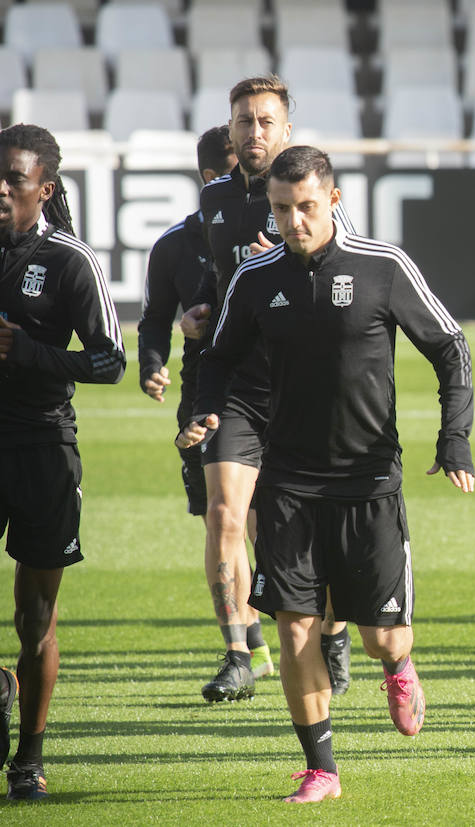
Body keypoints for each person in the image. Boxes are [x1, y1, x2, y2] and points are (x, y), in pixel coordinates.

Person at [178, 146, 475, 800]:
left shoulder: (383, 266)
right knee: (294, 627)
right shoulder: (255, 278)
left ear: (333, 200)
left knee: (380, 635)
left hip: (369, 483)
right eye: (281, 209)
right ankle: (322, 768)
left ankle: (398, 664)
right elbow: (219, 356)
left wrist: (453, 437)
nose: (293, 221)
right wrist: (204, 410)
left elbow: (449, 346)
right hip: (288, 482)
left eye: (306, 207)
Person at [181, 76, 354, 702]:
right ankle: (237, 651)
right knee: (225, 514)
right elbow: (212, 273)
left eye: (265, 121)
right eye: (243, 121)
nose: (253, 132)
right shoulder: (215, 200)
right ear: (228, 129)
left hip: (305, 384)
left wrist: (290, 257)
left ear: (287, 129)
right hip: (235, 381)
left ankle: (333, 632)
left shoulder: (310, 188)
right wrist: (196, 309)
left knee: (314, 529)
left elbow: (350, 275)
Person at [0, 124, 126, 799]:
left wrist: (29, 353)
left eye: (12, 179)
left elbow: (110, 361)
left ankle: (28, 761)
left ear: (43, 188)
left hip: (43, 446)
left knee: (34, 616)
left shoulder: (71, 259)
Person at [137, 127, 276, 679]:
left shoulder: (278, 227)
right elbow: (153, 319)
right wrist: (153, 362)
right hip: (206, 388)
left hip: (274, 386)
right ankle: (245, 649)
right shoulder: (175, 245)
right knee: (224, 518)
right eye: (225, 174)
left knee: (268, 526)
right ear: (207, 180)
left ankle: (283, 635)